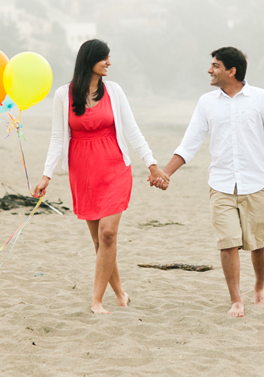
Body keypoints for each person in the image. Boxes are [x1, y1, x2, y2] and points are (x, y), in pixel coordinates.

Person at [160, 46, 264, 317]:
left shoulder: (261, 98)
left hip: (256, 183)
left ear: (232, 70)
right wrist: (166, 172)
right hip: (221, 184)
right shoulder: (206, 103)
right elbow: (188, 144)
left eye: (215, 65)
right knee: (227, 243)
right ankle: (236, 300)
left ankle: (259, 287)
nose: (209, 70)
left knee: (258, 243)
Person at [32, 39, 170, 314]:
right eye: (104, 58)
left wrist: (151, 163)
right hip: (83, 171)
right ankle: (120, 292)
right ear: (89, 60)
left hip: (114, 166)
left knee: (108, 233)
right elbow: (58, 137)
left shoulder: (115, 91)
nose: (109, 62)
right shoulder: (64, 95)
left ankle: (96, 300)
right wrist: (47, 175)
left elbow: (132, 130)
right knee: (100, 241)